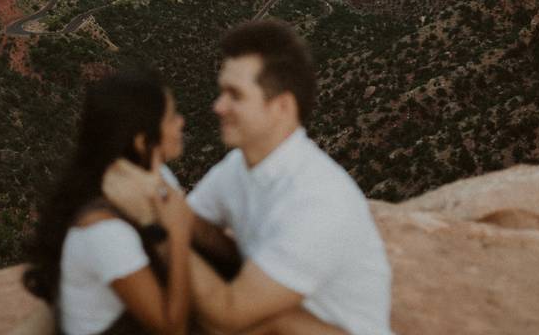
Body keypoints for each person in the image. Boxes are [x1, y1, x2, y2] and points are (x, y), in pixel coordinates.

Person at [104, 21, 393, 335]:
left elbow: (228, 315)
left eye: (235, 96)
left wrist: (155, 227)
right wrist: (155, 193)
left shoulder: (318, 201)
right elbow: (191, 222)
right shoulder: (240, 166)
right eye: (221, 92)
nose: (218, 107)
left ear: (281, 107)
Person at [25, 70, 193, 335]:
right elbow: (172, 328)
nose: (181, 123)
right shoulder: (104, 231)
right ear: (141, 141)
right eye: (172, 117)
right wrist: (179, 232)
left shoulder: (157, 179)